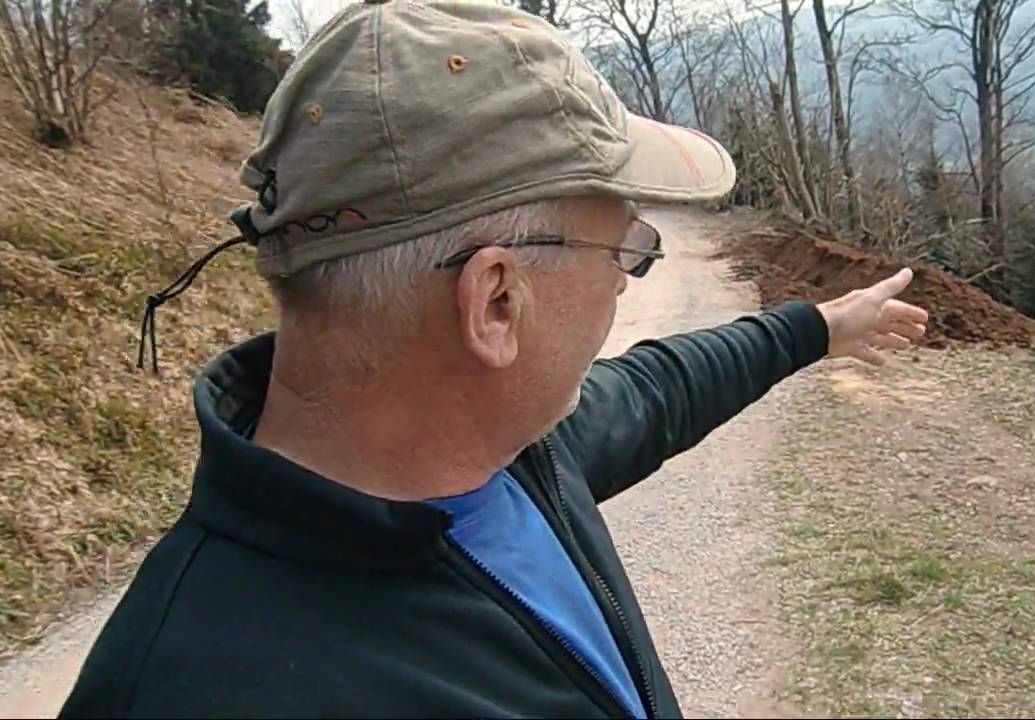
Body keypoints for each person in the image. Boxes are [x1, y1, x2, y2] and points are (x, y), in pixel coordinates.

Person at [59, 1, 929, 717]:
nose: (627, 282)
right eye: (624, 247)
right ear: (497, 301)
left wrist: (818, 327)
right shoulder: (185, 693)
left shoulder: (501, 456)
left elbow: (657, 391)